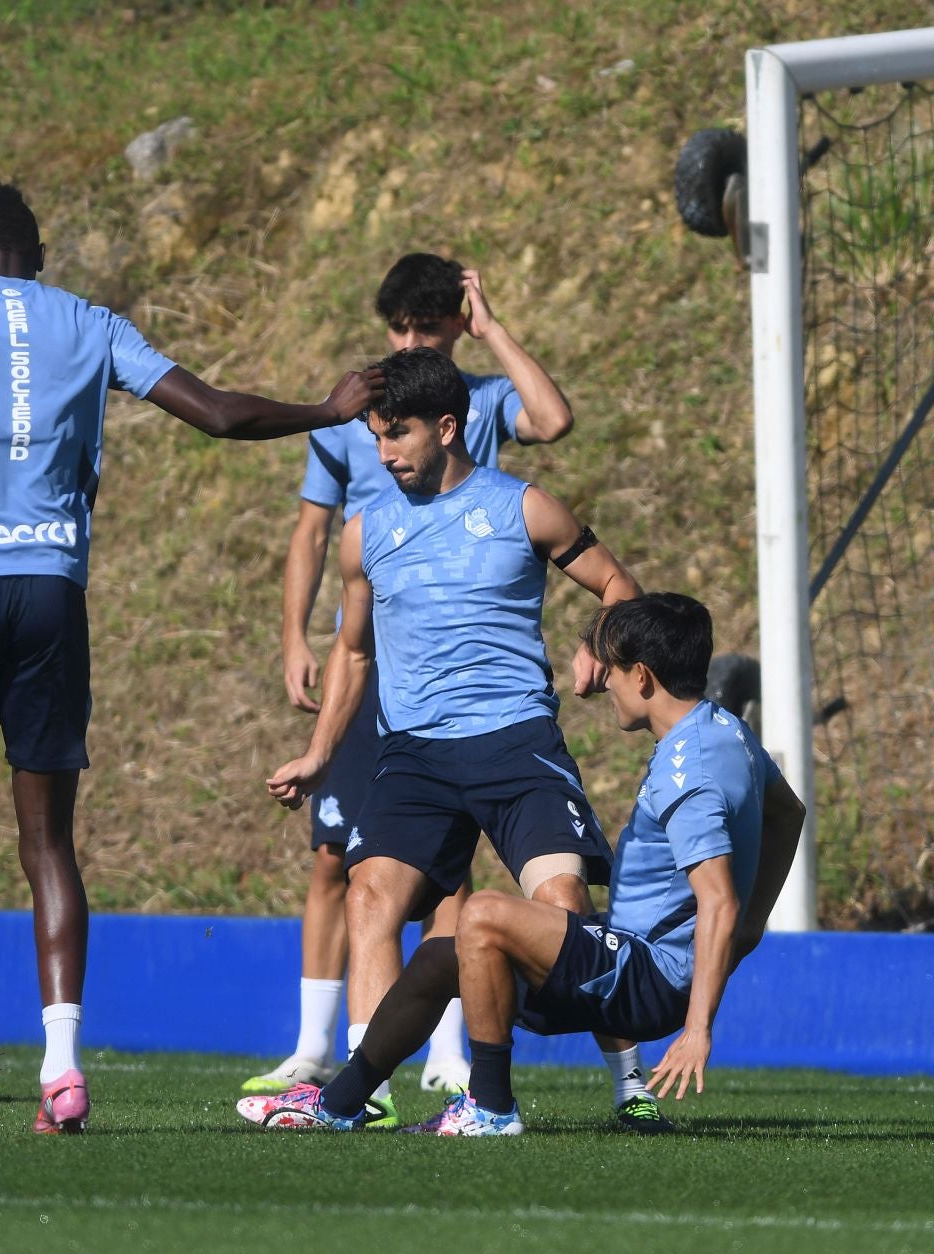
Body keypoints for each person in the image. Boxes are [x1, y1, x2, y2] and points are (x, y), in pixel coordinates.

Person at [0, 181, 381, 1134]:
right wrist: (322, 410)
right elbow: (216, 414)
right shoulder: (91, 321)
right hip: (48, 599)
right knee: (49, 844)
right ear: (38, 260)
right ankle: (65, 1068)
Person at [248, 345, 670, 1132]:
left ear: (448, 427)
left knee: (564, 904)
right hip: (414, 755)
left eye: (398, 434)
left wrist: (596, 642)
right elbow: (353, 649)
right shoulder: (364, 532)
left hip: (514, 744)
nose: (383, 453)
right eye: (376, 436)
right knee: (369, 894)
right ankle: (364, 1092)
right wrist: (321, 753)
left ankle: (629, 1080)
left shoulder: (524, 507)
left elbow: (617, 584)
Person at [239, 593, 805, 1134]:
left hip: (644, 980)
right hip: (631, 965)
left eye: (611, 669)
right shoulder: (727, 732)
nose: (604, 681)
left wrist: (699, 1027)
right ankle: (339, 1104)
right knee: (444, 957)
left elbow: (719, 899)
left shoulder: (691, 774)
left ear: (642, 676)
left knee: (482, 913)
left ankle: (490, 1108)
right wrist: (750, 930)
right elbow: (789, 814)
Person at [245, 253, 577, 1105]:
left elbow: (552, 417)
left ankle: (455, 1057)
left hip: (471, 686)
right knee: (341, 861)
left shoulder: (473, 401)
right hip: (381, 658)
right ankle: (327, 1058)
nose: (404, 342)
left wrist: (490, 328)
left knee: (459, 881)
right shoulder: (352, 415)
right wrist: (295, 635)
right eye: (396, 327)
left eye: (424, 330)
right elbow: (312, 534)